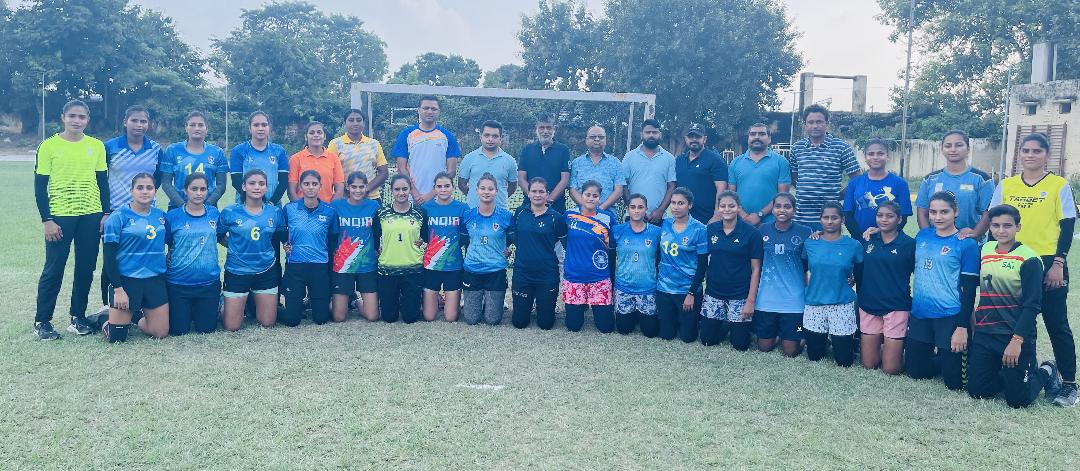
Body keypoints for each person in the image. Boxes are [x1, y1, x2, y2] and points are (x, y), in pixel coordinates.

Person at [989, 132, 1078, 407]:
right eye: (1025, 150)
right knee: (1020, 321)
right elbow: (994, 225)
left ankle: (1069, 384)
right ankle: (1032, 373)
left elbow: (1067, 225)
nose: (1030, 155)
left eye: (1036, 151)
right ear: (1019, 154)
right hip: (1015, 261)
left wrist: (1058, 264)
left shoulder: (1058, 185)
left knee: (1056, 323)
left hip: (1048, 262)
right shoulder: (1006, 185)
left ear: (1046, 155)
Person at [967, 204, 1064, 408]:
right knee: (977, 391)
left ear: (1018, 227)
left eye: (1007, 225)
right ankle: (1010, 374)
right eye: (996, 225)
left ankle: (1047, 370)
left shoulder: (1029, 259)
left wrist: (1017, 340)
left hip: (1014, 335)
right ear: (990, 227)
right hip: (986, 333)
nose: (1001, 231)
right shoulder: (985, 250)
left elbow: (1032, 306)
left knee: (1017, 401)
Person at [33, 99, 109, 340]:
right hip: (60, 217)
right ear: (63, 118)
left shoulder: (96, 146)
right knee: (54, 268)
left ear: (87, 120)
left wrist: (105, 213)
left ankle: (78, 317)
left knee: (86, 268)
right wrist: (47, 220)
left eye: (82, 117)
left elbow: (102, 182)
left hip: (90, 215)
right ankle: (42, 321)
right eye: (72, 116)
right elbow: (40, 187)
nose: (77, 120)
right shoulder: (49, 146)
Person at [907, 191, 979, 391]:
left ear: (956, 212)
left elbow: (969, 289)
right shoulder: (922, 236)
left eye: (944, 212)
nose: (938, 217)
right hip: (920, 314)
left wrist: (962, 327)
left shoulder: (966, 244)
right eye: (933, 212)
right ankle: (944, 358)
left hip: (950, 316)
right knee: (914, 371)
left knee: (955, 384)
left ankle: (959, 357)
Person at [97, 106, 163, 320]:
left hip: (145, 213)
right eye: (135, 120)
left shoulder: (155, 148)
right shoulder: (110, 147)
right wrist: (106, 211)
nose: (139, 125)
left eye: (143, 121)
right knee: (112, 258)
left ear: (148, 124)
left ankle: (139, 305)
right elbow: (100, 180)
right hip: (115, 212)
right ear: (125, 122)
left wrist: (146, 200)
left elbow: (157, 179)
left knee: (141, 258)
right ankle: (109, 305)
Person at [100, 173, 169, 342]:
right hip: (127, 281)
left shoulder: (161, 216)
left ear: (155, 191)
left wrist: (169, 256)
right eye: (140, 187)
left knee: (160, 332)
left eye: (149, 188)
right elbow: (109, 258)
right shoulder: (118, 217)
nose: (145, 191)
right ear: (131, 191)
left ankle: (135, 317)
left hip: (154, 279)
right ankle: (103, 318)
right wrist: (118, 289)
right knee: (117, 338)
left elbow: (172, 241)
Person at [218, 170, 286, 331]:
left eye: (261, 184)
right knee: (232, 326)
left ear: (266, 188)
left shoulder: (275, 212)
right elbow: (219, 236)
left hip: (266, 270)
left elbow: (282, 236)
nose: (257, 187)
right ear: (243, 186)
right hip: (237, 270)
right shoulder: (230, 212)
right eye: (252, 183)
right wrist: (235, 246)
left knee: (267, 323)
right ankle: (222, 302)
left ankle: (251, 302)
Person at [856, 201, 915, 374]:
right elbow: (856, 267)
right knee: (868, 364)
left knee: (891, 369)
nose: (884, 219)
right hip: (869, 304)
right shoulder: (867, 239)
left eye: (889, 216)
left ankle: (899, 350)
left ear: (899, 219)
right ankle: (886, 348)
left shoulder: (909, 244)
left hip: (896, 305)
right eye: (880, 215)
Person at [801, 202, 863, 367]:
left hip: (841, 303)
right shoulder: (810, 243)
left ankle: (848, 340)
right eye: (826, 217)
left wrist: (853, 279)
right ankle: (825, 340)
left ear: (842, 220)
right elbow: (803, 269)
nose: (829, 221)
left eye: (834, 218)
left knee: (844, 361)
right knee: (814, 356)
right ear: (820, 219)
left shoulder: (854, 245)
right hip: (815, 303)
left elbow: (860, 274)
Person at [701, 191, 762, 350]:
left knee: (740, 345)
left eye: (731, 206)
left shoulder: (752, 233)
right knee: (707, 340)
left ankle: (735, 324)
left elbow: (756, 269)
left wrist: (750, 301)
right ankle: (726, 323)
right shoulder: (711, 229)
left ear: (738, 208)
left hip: (740, 294)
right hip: (714, 292)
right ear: (718, 208)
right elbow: (704, 260)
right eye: (723, 206)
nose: (727, 209)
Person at [754, 192, 811, 356]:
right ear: (772, 209)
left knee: (790, 351)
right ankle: (779, 334)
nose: (782, 210)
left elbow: (810, 262)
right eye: (778, 206)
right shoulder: (762, 229)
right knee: (764, 347)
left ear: (794, 210)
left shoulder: (805, 232)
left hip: (794, 300)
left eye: (787, 206)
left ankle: (802, 335)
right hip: (767, 298)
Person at [280, 170, 339, 327]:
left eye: (314, 184)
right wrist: (285, 244)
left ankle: (312, 302)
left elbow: (333, 238)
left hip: (319, 266)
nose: (310, 187)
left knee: (321, 319)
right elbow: (281, 231)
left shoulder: (330, 211)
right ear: (300, 186)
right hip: (295, 266)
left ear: (320, 186)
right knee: (292, 320)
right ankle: (275, 309)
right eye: (306, 184)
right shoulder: (289, 209)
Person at [165, 173, 221, 335]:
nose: (198, 193)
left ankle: (220, 302)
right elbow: (167, 241)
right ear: (185, 190)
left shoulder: (214, 213)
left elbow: (221, 238)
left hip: (208, 282)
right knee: (179, 330)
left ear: (208, 191)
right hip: (178, 283)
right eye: (194, 189)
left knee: (206, 329)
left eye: (203, 189)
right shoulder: (172, 216)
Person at [790, 105, 861, 230]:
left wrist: (839, 195)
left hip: (829, 218)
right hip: (801, 217)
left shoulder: (841, 147)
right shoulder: (797, 148)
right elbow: (794, 177)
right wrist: (808, 192)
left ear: (827, 123)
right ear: (805, 125)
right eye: (810, 122)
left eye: (819, 122)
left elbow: (857, 180)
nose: (815, 126)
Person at [512, 177, 568, 330]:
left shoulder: (556, 218)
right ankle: (528, 303)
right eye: (534, 191)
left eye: (541, 191)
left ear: (547, 194)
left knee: (546, 324)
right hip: (523, 274)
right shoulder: (520, 213)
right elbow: (512, 237)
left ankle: (542, 304)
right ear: (528, 193)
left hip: (547, 275)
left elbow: (566, 245)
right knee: (519, 323)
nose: (537, 195)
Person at [914, 130, 993, 236]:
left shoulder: (982, 179)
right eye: (948, 146)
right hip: (937, 242)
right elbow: (922, 212)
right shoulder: (930, 179)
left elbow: (988, 213)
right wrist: (929, 237)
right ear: (942, 149)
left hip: (968, 240)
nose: (953, 149)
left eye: (959, 145)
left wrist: (974, 235)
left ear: (968, 149)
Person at [655, 188, 709, 342]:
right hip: (664, 288)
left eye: (681, 203)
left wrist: (691, 293)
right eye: (673, 203)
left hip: (687, 290)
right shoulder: (664, 224)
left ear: (690, 205)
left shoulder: (699, 229)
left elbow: (703, 265)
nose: (676, 207)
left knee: (687, 337)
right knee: (666, 335)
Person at [563, 180, 617, 333]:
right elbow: (563, 239)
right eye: (587, 195)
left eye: (595, 196)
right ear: (581, 195)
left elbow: (612, 246)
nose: (591, 198)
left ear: (600, 198)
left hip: (599, 277)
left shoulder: (608, 218)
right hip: (574, 277)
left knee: (606, 328)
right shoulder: (569, 215)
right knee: (573, 327)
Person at [461, 174, 515, 325]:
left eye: (490, 189)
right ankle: (478, 298)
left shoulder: (505, 216)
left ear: (496, 191)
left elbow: (512, 238)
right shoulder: (468, 215)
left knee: (493, 319)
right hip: (472, 270)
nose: (486, 192)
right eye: (483, 188)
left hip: (495, 270)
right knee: (471, 319)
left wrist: (505, 248)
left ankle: (490, 299)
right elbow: (463, 240)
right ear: (477, 191)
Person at [377, 175, 429, 324]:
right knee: (389, 318)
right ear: (391, 190)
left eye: (405, 189)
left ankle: (412, 302)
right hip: (387, 270)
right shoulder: (381, 213)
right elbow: (375, 239)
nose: (401, 193)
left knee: (410, 318)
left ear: (410, 189)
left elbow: (426, 237)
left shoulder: (420, 213)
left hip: (413, 270)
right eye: (397, 189)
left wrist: (418, 245)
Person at [391, 95, 462, 204]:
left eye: (434, 109)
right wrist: (414, 192)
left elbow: (451, 171)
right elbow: (401, 168)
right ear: (418, 110)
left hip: (439, 197)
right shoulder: (406, 134)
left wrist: (433, 193)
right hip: (412, 198)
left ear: (439, 111)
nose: (429, 111)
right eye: (426, 108)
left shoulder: (447, 136)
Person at [331, 172, 381, 322]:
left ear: (366, 187)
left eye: (361, 187)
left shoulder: (374, 206)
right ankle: (336, 300)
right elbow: (331, 232)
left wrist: (377, 249)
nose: (358, 190)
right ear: (347, 187)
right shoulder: (337, 205)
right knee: (339, 317)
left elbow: (378, 231)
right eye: (354, 187)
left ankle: (356, 302)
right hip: (343, 265)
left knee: (372, 316)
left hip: (366, 265)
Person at [611, 194, 662, 336]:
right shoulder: (617, 230)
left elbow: (660, 259)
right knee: (624, 330)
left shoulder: (656, 232)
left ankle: (640, 313)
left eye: (640, 207)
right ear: (628, 209)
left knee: (650, 332)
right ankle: (632, 312)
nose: (636, 210)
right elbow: (611, 258)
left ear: (646, 209)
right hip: (624, 288)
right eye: (633, 207)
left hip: (647, 288)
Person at [421, 172, 469, 322]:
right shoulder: (426, 208)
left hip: (453, 265)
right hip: (431, 264)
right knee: (429, 316)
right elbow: (423, 235)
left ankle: (449, 300)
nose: (443, 189)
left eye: (447, 186)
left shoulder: (462, 208)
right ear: (434, 188)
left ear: (453, 187)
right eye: (439, 186)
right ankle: (438, 299)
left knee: (451, 317)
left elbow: (465, 236)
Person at [842, 137, 912, 236]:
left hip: (889, 240)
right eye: (871, 154)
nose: (875, 157)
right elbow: (848, 215)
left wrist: (882, 232)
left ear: (887, 156)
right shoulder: (854, 183)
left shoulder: (900, 184)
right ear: (865, 157)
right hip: (861, 240)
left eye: (880, 153)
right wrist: (861, 237)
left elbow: (903, 217)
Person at [160, 111, 227, 209]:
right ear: (186, 127)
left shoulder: (217, 152)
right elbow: (166, 183)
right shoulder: (173, 150)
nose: (196, 128)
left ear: (206, 128)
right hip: (177, 207)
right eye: (192, 125)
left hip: (208, 208)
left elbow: (221, 185)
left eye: (200, 125)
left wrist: (206, 206)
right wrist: (182, 205)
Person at [728, 123, 790, 227]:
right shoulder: (735, 163)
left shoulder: (781, 162)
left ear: (769, 138)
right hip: (741, 222)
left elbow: (782, 196)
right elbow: (731, 195)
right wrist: (744, 216)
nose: (756, 137)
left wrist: (760, 214)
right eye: (753, 134)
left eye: (761, 134)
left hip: (771, 224)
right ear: (748, 138)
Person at [229, 111, 289, 205]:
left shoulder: (279, 151)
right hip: (245, 206)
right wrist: (257, 203)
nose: (260, 128)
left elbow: (283, 182)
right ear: (250, 128)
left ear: (269, 128)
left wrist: (271, 203)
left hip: (273, 206)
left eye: (264, 125)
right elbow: (236, 182)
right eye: (256, 125)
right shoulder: (238, 151)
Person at [327, 109, 388, 201]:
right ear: (344, 123)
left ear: (364, 123)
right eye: (351, 120)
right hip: (345, 198)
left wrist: (365, 190)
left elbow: (384, 173)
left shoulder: (374, 144)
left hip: (371, 197)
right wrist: (348, 191)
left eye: (359, 120)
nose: (355, 123)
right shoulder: (335, 144)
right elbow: (330, 172)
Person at [622, 119, 676, 224]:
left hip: (659, 218)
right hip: (633, 217)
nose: (651, 135)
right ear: (641, 135)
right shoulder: (629, 157)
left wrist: (660, 210)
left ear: (660, 134)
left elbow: (671, 186)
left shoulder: (669, 158)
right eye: (648, 132)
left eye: (654, 132)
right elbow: (623, 185)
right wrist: (633, 208)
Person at [517, 115, 572, 213]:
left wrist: (548, 201)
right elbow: (521, 178)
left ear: (554, 128)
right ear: (536, 128)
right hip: (529, 206)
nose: (545, 131)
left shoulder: (563, 150)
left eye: (549, 128)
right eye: (542, 127)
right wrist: (534, 197)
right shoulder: (527, 149)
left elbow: (565, 180)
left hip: (556, 207)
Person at [675, 124, 728, 224]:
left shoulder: (715, 160)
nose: (694, 139)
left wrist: (717, 215)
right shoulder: (679, 160)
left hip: (707, 220)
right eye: (691, 136)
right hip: (682, 219)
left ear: (705, 139)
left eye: (698, 136)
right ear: (685, 139)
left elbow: (722, 189)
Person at [458, 120, 518, 208]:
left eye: (495, 136)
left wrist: (499, 198)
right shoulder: (469, 158)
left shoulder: (510, 160)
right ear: (481, 137)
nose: (490, 139)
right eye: (487, 135)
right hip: (474, 210)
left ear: (501, 138)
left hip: (500, 211)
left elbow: (512, 186)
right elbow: (461, 184)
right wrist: (475, 197)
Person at [569, 126, 625, 211]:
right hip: (582, 214)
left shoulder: (615, 163)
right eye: (593, 137)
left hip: (607, 213)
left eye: (601, 137)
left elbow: (619, 190)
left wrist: (601, 209)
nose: (597, 139)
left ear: (605, 140)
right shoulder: (576, 163)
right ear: (586, 140)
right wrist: (587, 207)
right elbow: (572, 190)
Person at [288, 121, 344, 203]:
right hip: (302, 208)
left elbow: (340, 189)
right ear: (306, 137)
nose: (316, 135)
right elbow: (291, 191)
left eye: (319, 132)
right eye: (312, 133)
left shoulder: (334, 158)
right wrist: (300, 208)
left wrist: (330, 207)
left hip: (327, 207)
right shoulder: (295, 159)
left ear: (324, 136)